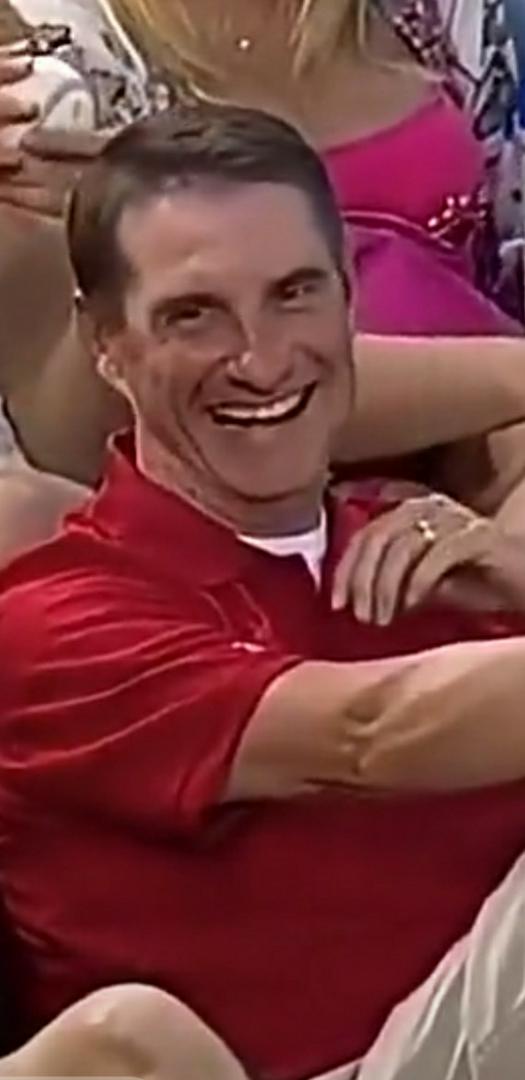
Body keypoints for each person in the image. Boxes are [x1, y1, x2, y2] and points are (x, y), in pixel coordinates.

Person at [5, 102, 525, 1080]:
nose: (261, 359)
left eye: (294, 295)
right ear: (107, 344)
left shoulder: (424, 557)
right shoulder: (58, 620)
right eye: (194, 316)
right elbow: (369, 735)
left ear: (348, 304)